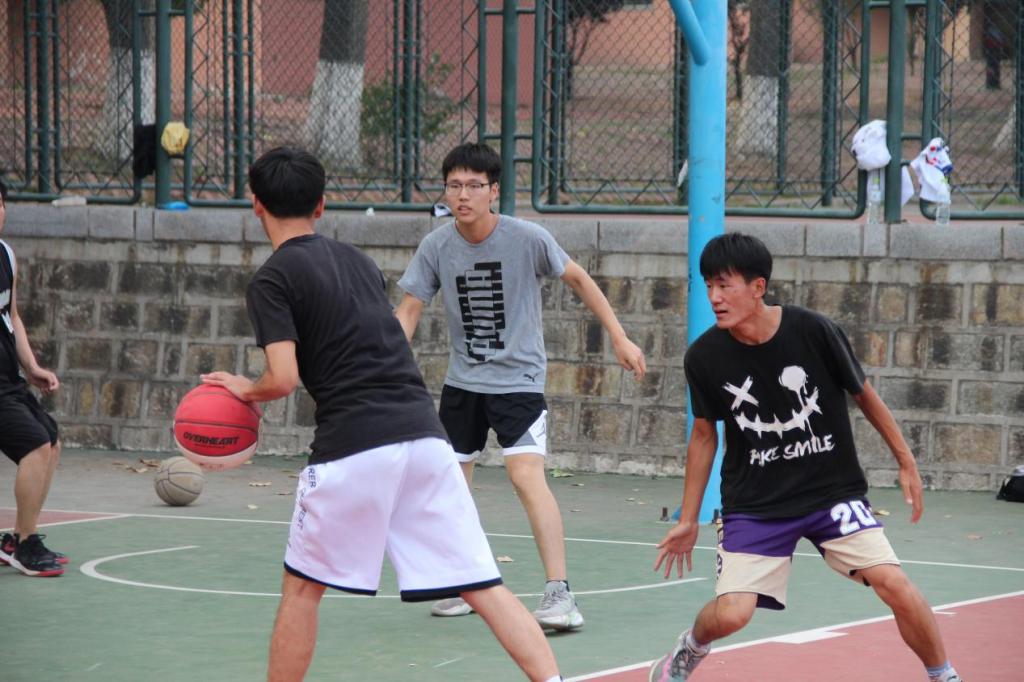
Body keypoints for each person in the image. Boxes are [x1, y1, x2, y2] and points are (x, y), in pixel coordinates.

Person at [200, 147, 563, 682]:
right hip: (425, 439)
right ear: (321, 205)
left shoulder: (272, 280)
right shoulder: (358, 262)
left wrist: (245, 390)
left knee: (302, 590)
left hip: (353, 445)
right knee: (484, 587)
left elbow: (283, 377)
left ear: (256, 205)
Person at [648, 233, 963, 682]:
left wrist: (905, 459)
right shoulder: (704, 357)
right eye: (708, 286)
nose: (714, 297)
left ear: (758, 287)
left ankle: (943, 674)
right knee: (733, 613)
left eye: (724, 285)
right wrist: (688, 518)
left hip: (830, 493)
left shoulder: (813, 330)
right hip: (756, 504)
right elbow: (703, 436)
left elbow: (864, 394)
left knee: (893, 582)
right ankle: (692, 645)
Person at [395, 142, 647, 630]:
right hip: (463, 384)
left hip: (519, 382)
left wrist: (619, 336)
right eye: (454, 185)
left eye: (473, 186)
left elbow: (578, 278)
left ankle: (559, 593)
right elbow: (408, 310)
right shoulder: (436, 246)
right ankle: (466, 581)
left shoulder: (527, 238)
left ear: (493, 191)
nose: (462, 195)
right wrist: (384, 363)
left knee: (525, 477)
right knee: (451, 485)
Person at [0, 178, 66, 577]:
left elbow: (12, 316)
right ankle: (25, 546)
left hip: (9, 377)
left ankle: (19, 538)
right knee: (36, 445)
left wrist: (32, 366)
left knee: (51, 441)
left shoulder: (6, 255)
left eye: (0, 203)